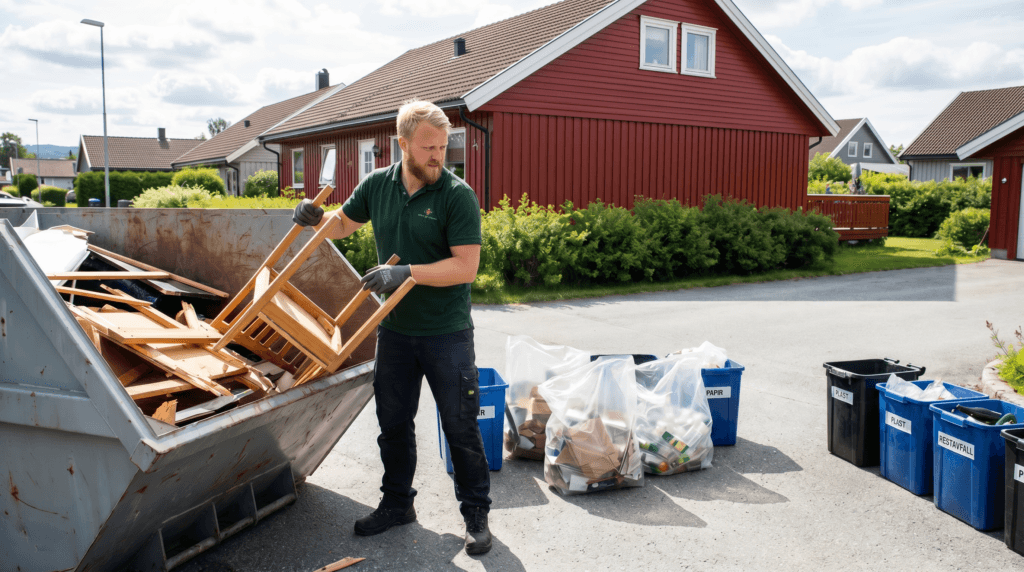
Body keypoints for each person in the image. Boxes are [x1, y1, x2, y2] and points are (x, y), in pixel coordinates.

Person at [292, 100, 492, 555]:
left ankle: (476, 514)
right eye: (428, 147)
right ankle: (398, 503)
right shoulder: (377, 185)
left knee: (460, 426)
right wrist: (312, 219)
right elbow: (342, 222)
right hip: (396, 331)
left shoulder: (456, 194)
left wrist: (407, 273)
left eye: (443, 146)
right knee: (393, 424)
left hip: (447, 333)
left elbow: (466, 267)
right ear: (402, 145)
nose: (438, 156)